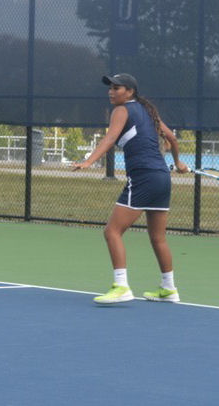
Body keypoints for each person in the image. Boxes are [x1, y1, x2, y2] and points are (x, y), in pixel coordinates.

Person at [73, 73, 188, 304]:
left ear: (130, 92)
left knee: (112, 231)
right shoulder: (149, 112)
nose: (111, 92)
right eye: (110, 88)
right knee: (158, 238)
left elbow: (109, 139)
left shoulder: (121, 110)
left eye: (117, 88)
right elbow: (172, 139)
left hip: (143, 177)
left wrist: (88, 161)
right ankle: (169, 289)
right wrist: (178, 163)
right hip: (161, 178)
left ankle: (121, 286)